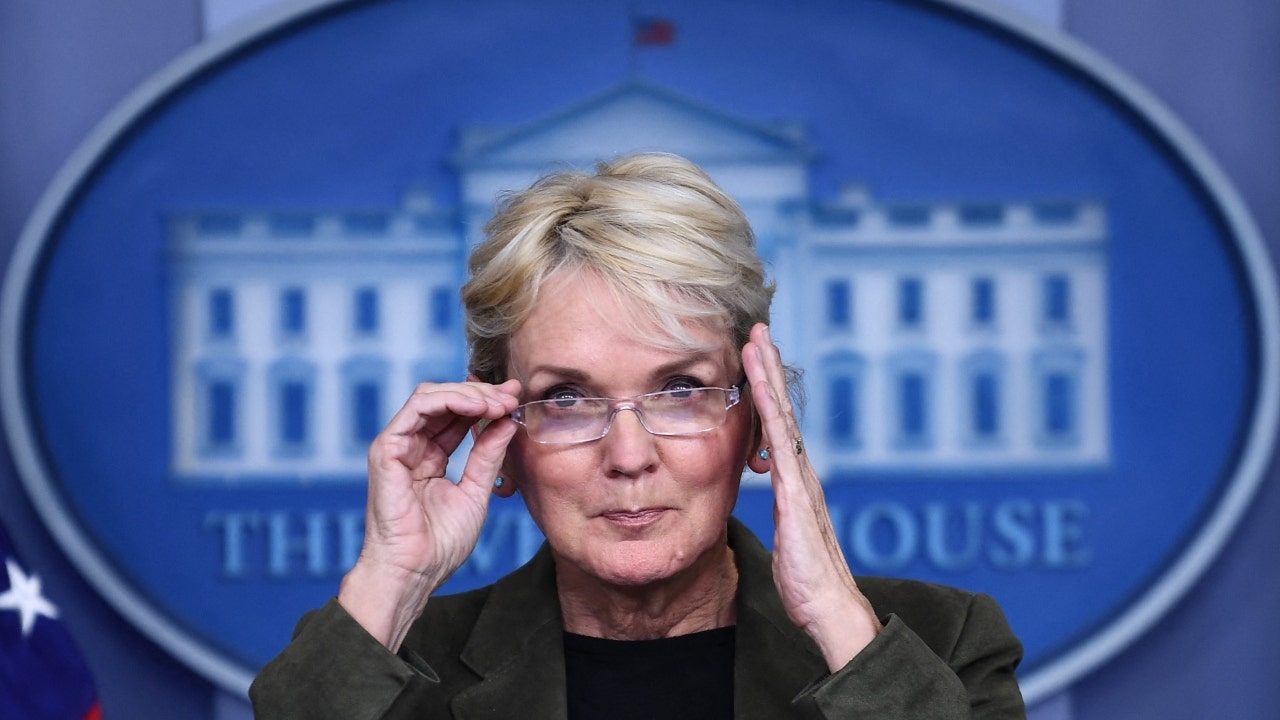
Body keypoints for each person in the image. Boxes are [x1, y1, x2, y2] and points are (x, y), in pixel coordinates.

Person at [250, 153, 1026, 719]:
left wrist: (834, 617)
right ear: (501, 439)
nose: (628, 457)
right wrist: (392, 582)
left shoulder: (940, 643)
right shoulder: (390, 666)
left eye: (681, 390)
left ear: (759, 420)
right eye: (567, 399)